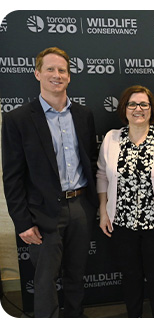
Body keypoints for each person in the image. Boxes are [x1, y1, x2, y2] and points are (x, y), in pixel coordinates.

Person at [1, 47, 99, 318]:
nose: (57, 75)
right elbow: (12, 177)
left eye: (62, 70)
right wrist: (22, 222)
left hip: (80, 208)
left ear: (69, 76)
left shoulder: (83, 115)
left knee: (77, 276)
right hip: (42, 214)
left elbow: (90, 162)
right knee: (44, 282)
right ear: (37, 73)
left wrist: (92, 206)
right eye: (50, 69)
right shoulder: (17, 119)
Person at [96, 85, 154, 318]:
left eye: (144, 104)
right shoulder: (111, 138)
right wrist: (104, 211)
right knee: (130, 275)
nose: (138, 109)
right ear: (124, 109)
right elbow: (102, 175)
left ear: (151, 109)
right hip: (122, 223)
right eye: (132, 104)